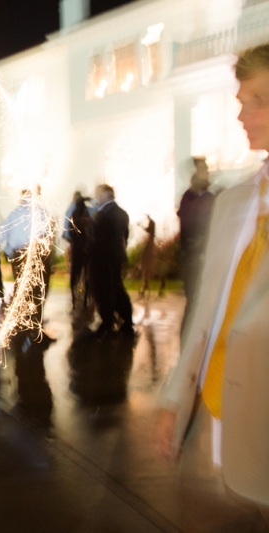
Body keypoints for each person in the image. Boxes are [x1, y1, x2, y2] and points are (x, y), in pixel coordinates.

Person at [155, 45, 269, 531]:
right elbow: (206, 313)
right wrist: (175, 399)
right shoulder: (234, 201)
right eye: (243, 99)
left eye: (260, 99)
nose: (242, 113)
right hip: (210, 432)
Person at [0, 188, 52, 327]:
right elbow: (46, 233)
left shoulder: (14, 213)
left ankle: (22, 319)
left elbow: (1, 233)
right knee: (37, 287)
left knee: (22, 286)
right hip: (34, 254)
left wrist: (8, 250)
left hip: (19, 254)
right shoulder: (40, 212)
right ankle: (34, 320)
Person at [88, 184, 133, 336]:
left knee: (104, 288)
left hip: (103, 257)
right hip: (117, 255)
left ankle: (107, 321)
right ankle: (126, 318)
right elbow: (124, 237)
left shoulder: (103, 214)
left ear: (103, 195)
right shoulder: (122, 213)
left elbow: (97, 238)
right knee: (117, 285)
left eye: (97, 195)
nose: (96, 198)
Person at [177, 157, 215, 331]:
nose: (206, 173)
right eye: (202, 170)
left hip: (207, 257)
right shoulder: (191, 198)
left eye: (206, 170)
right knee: (194, 303)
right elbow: (189, 222)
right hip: (194, 258)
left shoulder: (208, 197)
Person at [65, 191, 95, 310]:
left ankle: (75, 298)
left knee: (76, 275)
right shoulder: (87, 214)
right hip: (86, 250)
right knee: (86, 274)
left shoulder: (73, 214)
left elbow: (69, 233)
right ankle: (85, 298)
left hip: (78, 250)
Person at [139, 215, 156, 297]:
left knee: (145, 266)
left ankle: (145, 286)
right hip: (150, 247)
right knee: (146, 269)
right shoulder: (151, 243)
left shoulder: (150, 244)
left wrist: (141, 225)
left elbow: (148, 229)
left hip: (149, 248)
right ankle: (145, 286)